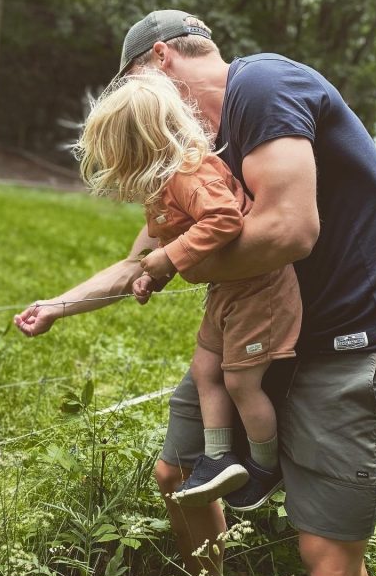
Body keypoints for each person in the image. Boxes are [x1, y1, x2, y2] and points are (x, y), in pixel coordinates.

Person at [14, 10, 376, 576]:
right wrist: (60, 304)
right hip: (256, 337)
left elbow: (290, 231)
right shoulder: (192, 148)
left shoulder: (260, 86)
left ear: (159, 59)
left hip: (345, 342)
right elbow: (144, 256)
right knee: (177, 477)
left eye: (134, 86)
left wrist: (171, 267)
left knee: (329, 563)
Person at [75, 71, 302, 507]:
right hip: (227, 292)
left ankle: (264, 467)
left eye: (119, 156)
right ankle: (218, 459)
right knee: (204, 371)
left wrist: (169, 259)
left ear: (141, 145)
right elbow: (177, 241)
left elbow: (224, 221)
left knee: (240, 382)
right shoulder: (164, 185)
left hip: (260, 291)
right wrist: (153, 273)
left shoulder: (188, 174)